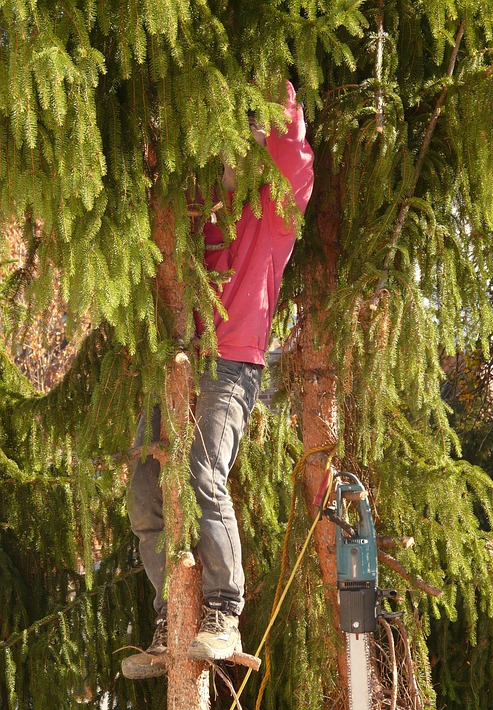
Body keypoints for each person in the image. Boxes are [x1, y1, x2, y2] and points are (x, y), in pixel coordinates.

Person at [121, 81, 314, 679]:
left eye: (241, 152)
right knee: (144, 486)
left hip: (234, 365)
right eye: (221, 153)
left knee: (204, 468)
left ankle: (225, 609)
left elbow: (294, 157)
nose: (230, 165)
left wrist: (265, 101)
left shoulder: (272, 214)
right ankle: (169, 616)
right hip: (178, 361)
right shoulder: (195, 215)